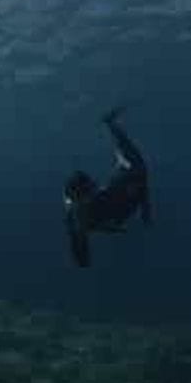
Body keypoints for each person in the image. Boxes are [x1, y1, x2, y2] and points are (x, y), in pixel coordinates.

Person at [63, 108, 152, 268]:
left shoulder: (105, 197)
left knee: (136, 166)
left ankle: (110, 124)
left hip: (123, 190)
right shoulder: (76, 217)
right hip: (116, 205)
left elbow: (140, 180)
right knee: (135, 167)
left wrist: (145, 208)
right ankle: (110, 124)